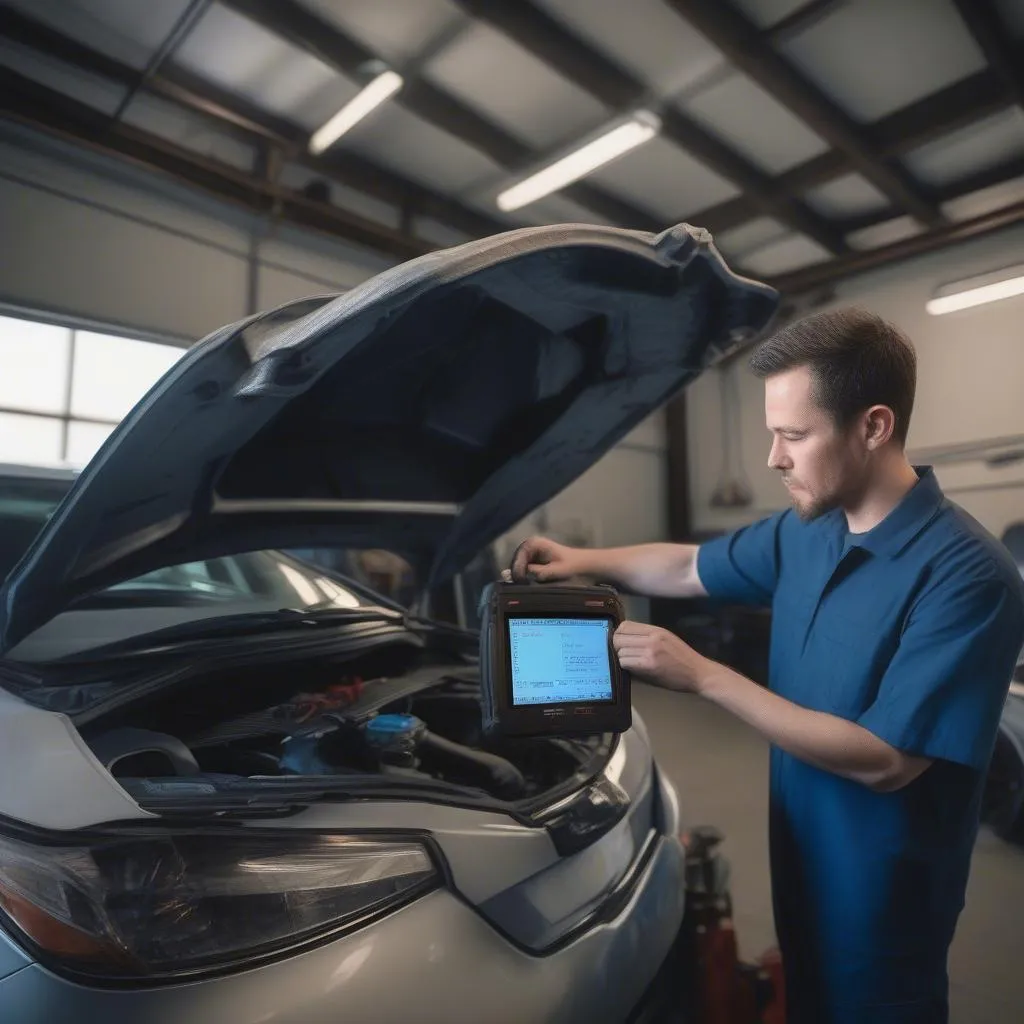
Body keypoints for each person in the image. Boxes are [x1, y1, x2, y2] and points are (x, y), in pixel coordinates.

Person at [510, 308, 1024, 1024]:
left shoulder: (967, 575)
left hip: (882, 900)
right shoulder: (806, 531)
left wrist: (705, 676)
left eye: (793, 435)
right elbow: (689, 566)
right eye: (771, 434)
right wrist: (582, 561)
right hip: (800, 861)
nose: (774, 458)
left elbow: (886, 760)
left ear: (873, 427)